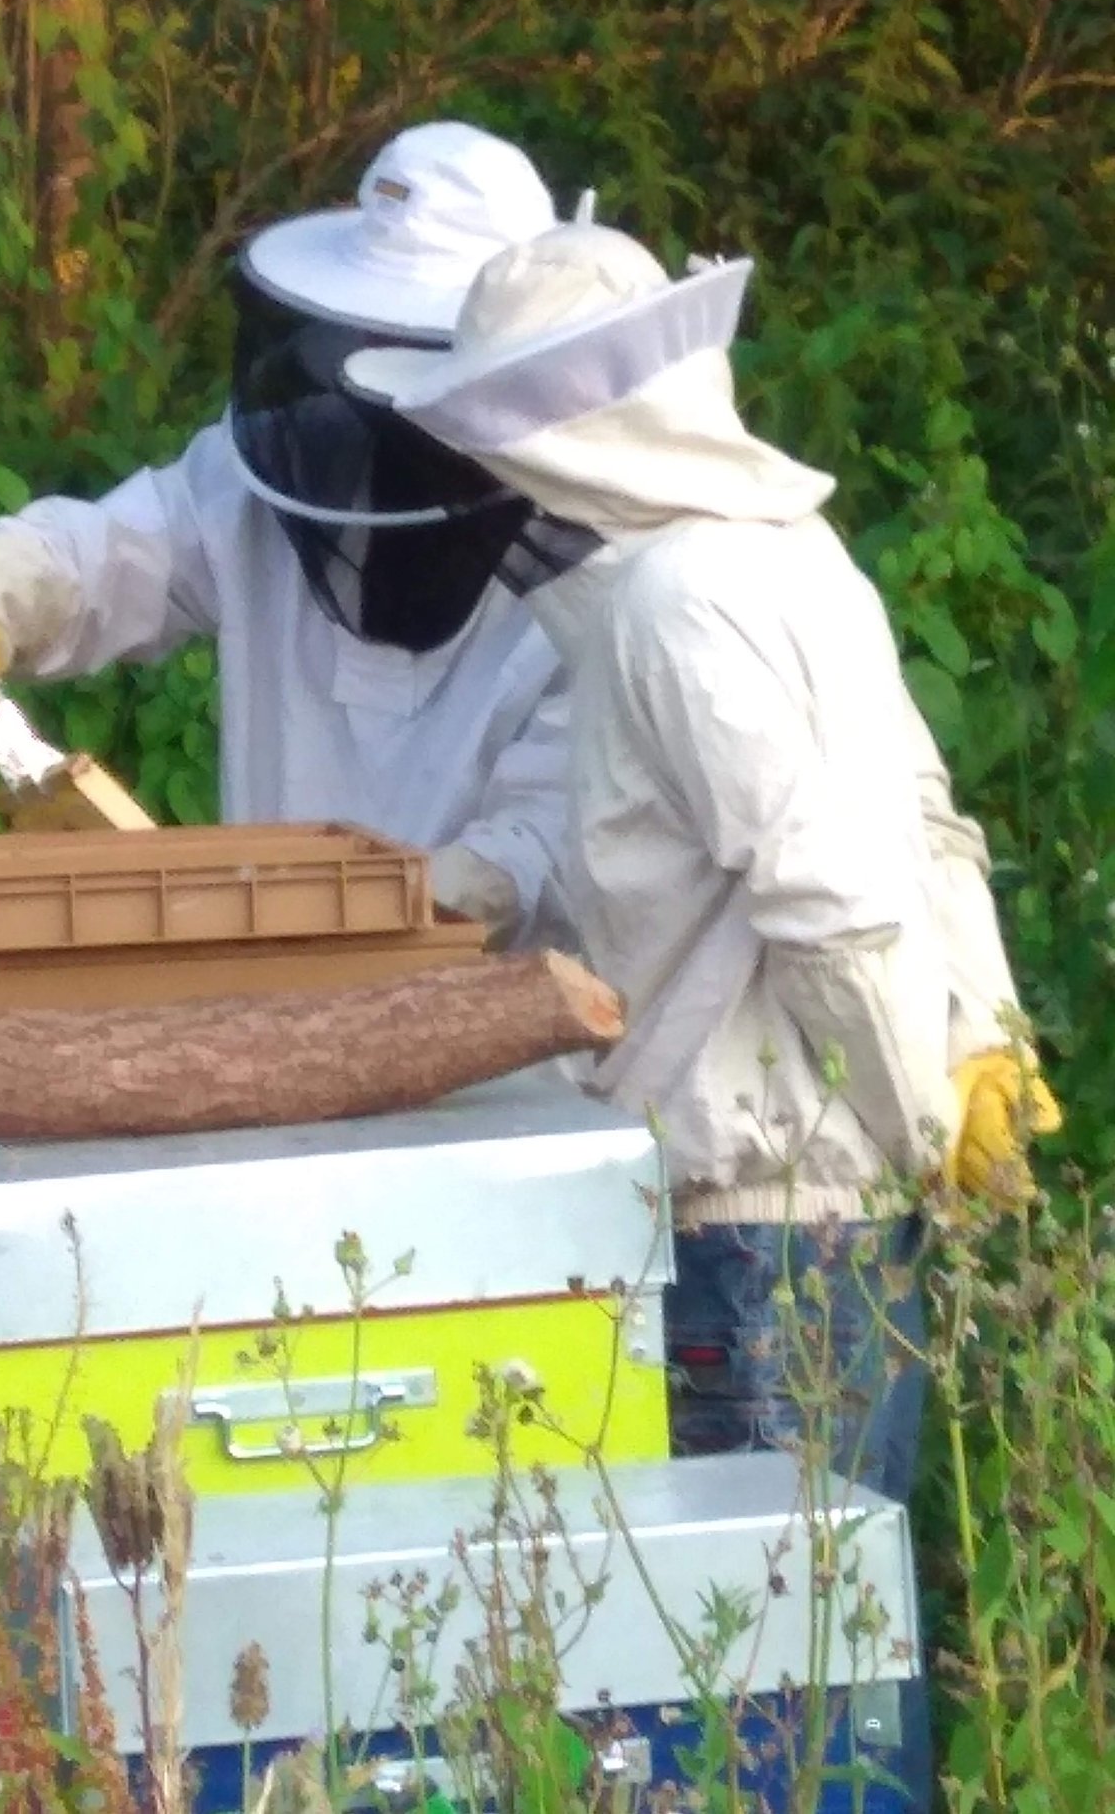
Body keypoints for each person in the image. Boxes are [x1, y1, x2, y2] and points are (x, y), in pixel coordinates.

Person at [341, 215, 1062, 1811]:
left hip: (758, 1228)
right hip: (826, 1218)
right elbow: (916, 822)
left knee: (763, 1703)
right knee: (829, 1665)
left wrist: (933, 1107)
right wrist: (981, 1040)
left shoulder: (676, 605)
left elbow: (836, 896)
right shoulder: (795, 560)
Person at [0, 121, 583, 950]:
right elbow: (114, 549)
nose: (385, 392)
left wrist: (351, 910)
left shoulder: (599, 564)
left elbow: (539, 849)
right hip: (264, 1005)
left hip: (503, 1034)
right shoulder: (284, 471)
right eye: (369, 346)